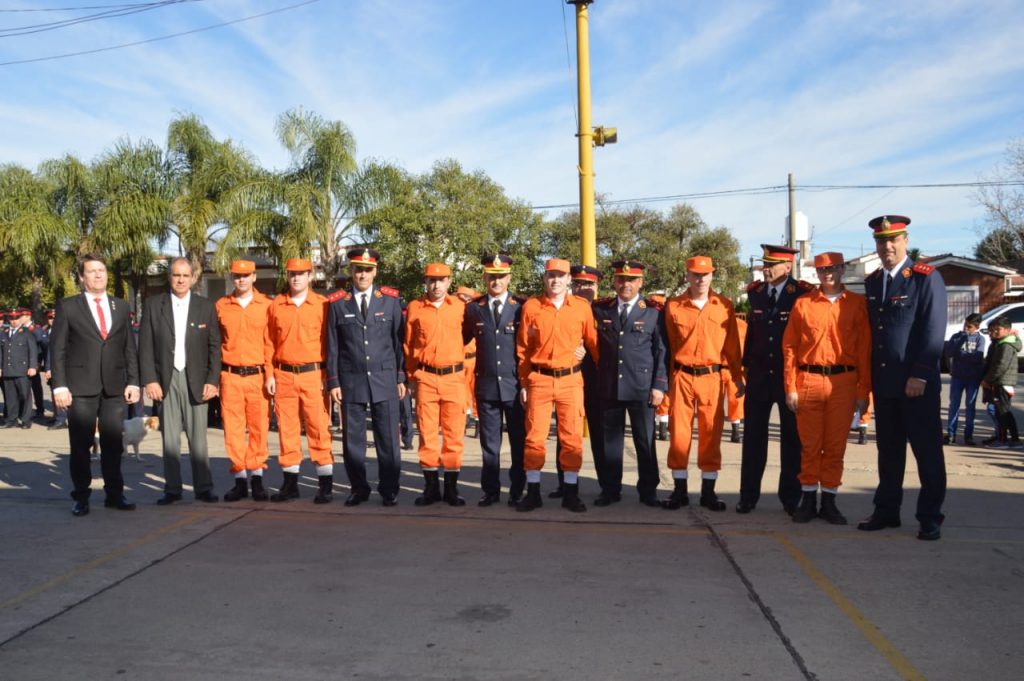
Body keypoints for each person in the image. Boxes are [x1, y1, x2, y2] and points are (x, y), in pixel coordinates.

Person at [857, 215, 948, 541]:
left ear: (905, 241)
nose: (887, 246)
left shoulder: (925, 278)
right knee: (889, 453)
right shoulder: (873, 281)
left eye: (893, 240)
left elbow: (933, 332)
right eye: (881, 241)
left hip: (916, 386)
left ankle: (930, 516)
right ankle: (887, 511)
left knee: (927, 453)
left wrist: (921, 375)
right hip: (886, 384)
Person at [782, 252, 871, 524]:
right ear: (816, 273)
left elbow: (865, 350)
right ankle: (808, 498)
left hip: (844, 381)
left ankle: (829, 500)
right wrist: (790, 387)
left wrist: (863, 391)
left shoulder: (857, 304)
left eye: (832, 268)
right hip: (809, 379)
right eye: (822, 270)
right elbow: (790, 347)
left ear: (842, 269)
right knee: (810, 445)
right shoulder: (803, 304)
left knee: (834, 446)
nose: (827, 274)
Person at [49, 254, 141, 516]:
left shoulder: (121, 307)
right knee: (81, 444)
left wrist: (134, 381)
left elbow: (129, 348)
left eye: (102, 270)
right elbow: (58, 349)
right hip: (80, 387)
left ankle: (115, 494)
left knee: (113, 442)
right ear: (81, 277)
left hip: (114, 388)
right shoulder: (69, 307)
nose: (98, 275)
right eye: (92, 271)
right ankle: (81, 496)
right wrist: (59, 386)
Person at [661, 255, 744, 511]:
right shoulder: (674, 306)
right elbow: (669, 346)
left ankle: (709, 491)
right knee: (679, 435)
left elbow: (732, 347)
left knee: (711, 434)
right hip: (683, 376)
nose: (700, 279)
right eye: (695, 274)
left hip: (712, 376)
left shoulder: (725, 306)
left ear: (712, 276)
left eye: (705, 274)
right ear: (687, 275)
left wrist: (738, 378)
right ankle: (679, 490)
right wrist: (666, 381)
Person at [515, 258, 598, 512]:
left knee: (571, 437)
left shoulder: (582, 308)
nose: (555, 280)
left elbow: (593, 343)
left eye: (560, 276)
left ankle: (571, 493)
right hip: (539, 379)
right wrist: (524, 382)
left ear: (569, 279)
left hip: (571, 380)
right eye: (551, 275)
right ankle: (533, 491)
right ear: (544, 278)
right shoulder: (531, 306)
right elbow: (523, 349)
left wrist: (601, 377)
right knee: (534, 438)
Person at [326, 248, 406, 507]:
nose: (362, 274)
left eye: (367, 270)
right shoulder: (338, 303)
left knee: (388, 439)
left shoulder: (391, 302)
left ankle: (389, 489)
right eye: (358, 269)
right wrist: (334, 382)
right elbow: (333, 346)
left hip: (385, 379)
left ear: (375, 272)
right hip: (352, 380)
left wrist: (400, 376)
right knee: (353, 441)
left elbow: (398, 343)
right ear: (351, 271)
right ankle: (358, 488)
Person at [139, 257, 222, 505]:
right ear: (170, 277)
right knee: (170, 438)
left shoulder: (205, 306)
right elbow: (144, 346)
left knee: (199, 437)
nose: (181, 280)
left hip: (196, 378)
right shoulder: (154, 305)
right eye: (176, 275)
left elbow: (214, 347)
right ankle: (172, 489)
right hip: (166, 378)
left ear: (193, 278)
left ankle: (203, 487)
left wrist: (212, 380)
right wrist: (150, 380)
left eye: (185, 276)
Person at [737, 244, 812, 515]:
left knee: (792, 440)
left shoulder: (801, 294)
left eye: (772, 265)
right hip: (758, 376)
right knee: (753, 439)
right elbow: (753, 336)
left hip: (788, 378)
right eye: (764, 264)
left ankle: (790, 498)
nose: (766, 269)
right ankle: (748, 496)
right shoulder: (756, 293)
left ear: (787, 266)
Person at [591, 259, 667, 507]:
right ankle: (610, 489)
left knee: (645, 441)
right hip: (609, 386)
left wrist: (659, 385)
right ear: (614, 281)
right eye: (621, 279)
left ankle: (648, 490)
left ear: (641, 282)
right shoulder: (601, 310)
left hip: (641, 387)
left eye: (632, 280)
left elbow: (661, 351)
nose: (626, 284)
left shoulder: (653, 311)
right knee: (610, 443)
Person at [265, 258, 335, 503]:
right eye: (292, 274)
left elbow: (330, 344)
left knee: (318, 428)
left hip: (313, 375)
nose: (296, 278)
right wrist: (270, 374)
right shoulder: (276, 306)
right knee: (287, 430)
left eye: (301, 274)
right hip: (283, 375)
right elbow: (269, 343)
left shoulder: (322, 305)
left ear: (310, 275)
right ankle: (290, 484)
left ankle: (325, 483)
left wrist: (328, 377)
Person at [463, 253, 526, 506]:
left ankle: (517, 490)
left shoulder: (521, 307)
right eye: (492, 277)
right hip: (487, 386)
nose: (496, 281)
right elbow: (459, 339)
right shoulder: (473, 308)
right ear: (485, 277)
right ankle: (490, 490)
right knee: (490, 445)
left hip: (514, 386)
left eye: (501, 277)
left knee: (519, 442)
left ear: (509, 278)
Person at [404, 263, 468, 506]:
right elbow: (409, 345)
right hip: (426, 378)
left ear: (449, 282)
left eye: (441, 280)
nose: (436, 285)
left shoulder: (461, 308)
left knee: (453, 435)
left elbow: (471, 340)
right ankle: (430, 487)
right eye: (432, 280)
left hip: (454, 378)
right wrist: (411, 376)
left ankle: (452, 489)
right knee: (427, 435)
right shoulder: (415, 307)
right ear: (426, 282)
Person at [216, 259, 273, 501]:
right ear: (231, 277)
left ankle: (257, 479)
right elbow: (214, 343)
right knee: (233, 430)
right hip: (230, 376)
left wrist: (270, 375)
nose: (241, 279)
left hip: (257, 376)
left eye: (246, 275)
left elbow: (271, 344)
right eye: (237, 276)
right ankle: (240, 479)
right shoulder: (221, 306)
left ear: (254, 277)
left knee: (259, 428)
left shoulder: (267, 306)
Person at [944, 313, 985, 446]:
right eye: (965, 325)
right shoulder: (957, 336)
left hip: (972, 378)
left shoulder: (980, 339)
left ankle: (968, 435)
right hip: (957, 376)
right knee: (954, 405)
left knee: (970, 406)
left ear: (976, 327)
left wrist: (960, 354)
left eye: (969, 326)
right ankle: (951, 433)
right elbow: (949, 352)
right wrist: (960, 341)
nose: (966, 328)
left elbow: (977, 358)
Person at [980, 316, 1021, 449]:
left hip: (1002, 382)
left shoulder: (1006, 346)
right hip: (1000, 382)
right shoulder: (1000, 343)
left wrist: (987, 380)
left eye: (997, 329)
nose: (994, 333)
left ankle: (1003, 441)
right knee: (1004, 412)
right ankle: (1013, 439)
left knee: (1002, 413)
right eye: (991, 330)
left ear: (1008, 330)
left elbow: (1000, 366)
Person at [1, 308, 38, 429]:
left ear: (21, 318)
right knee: (10, 396)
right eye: (11, 318)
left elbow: (33, 351)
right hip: (7, 369)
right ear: (8, 319)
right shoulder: (4, 332)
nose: (14, 321)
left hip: (22, 370)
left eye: (16, 318)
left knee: (24, 395)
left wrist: (32, 366)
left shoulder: (27, 333)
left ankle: (26, 420)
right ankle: (12, 419)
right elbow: (1, 352)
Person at [455, 286, 479, 437]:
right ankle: (464, 418)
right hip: (459, 359)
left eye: (467, 298)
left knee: (476, 390)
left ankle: (477, 419)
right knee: (461, 392)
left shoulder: (475, 314)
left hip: (474, 358)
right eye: (461, 298)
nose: (464, 301)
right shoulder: (455, 314)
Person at [722, 314, 747, 443]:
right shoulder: (717, 323)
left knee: (736, 400)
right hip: (718, 368)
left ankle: (735, 431)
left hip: (737, 369)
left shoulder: (743, 326)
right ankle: (712, 429)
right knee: (714, 402)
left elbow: (748, 346)